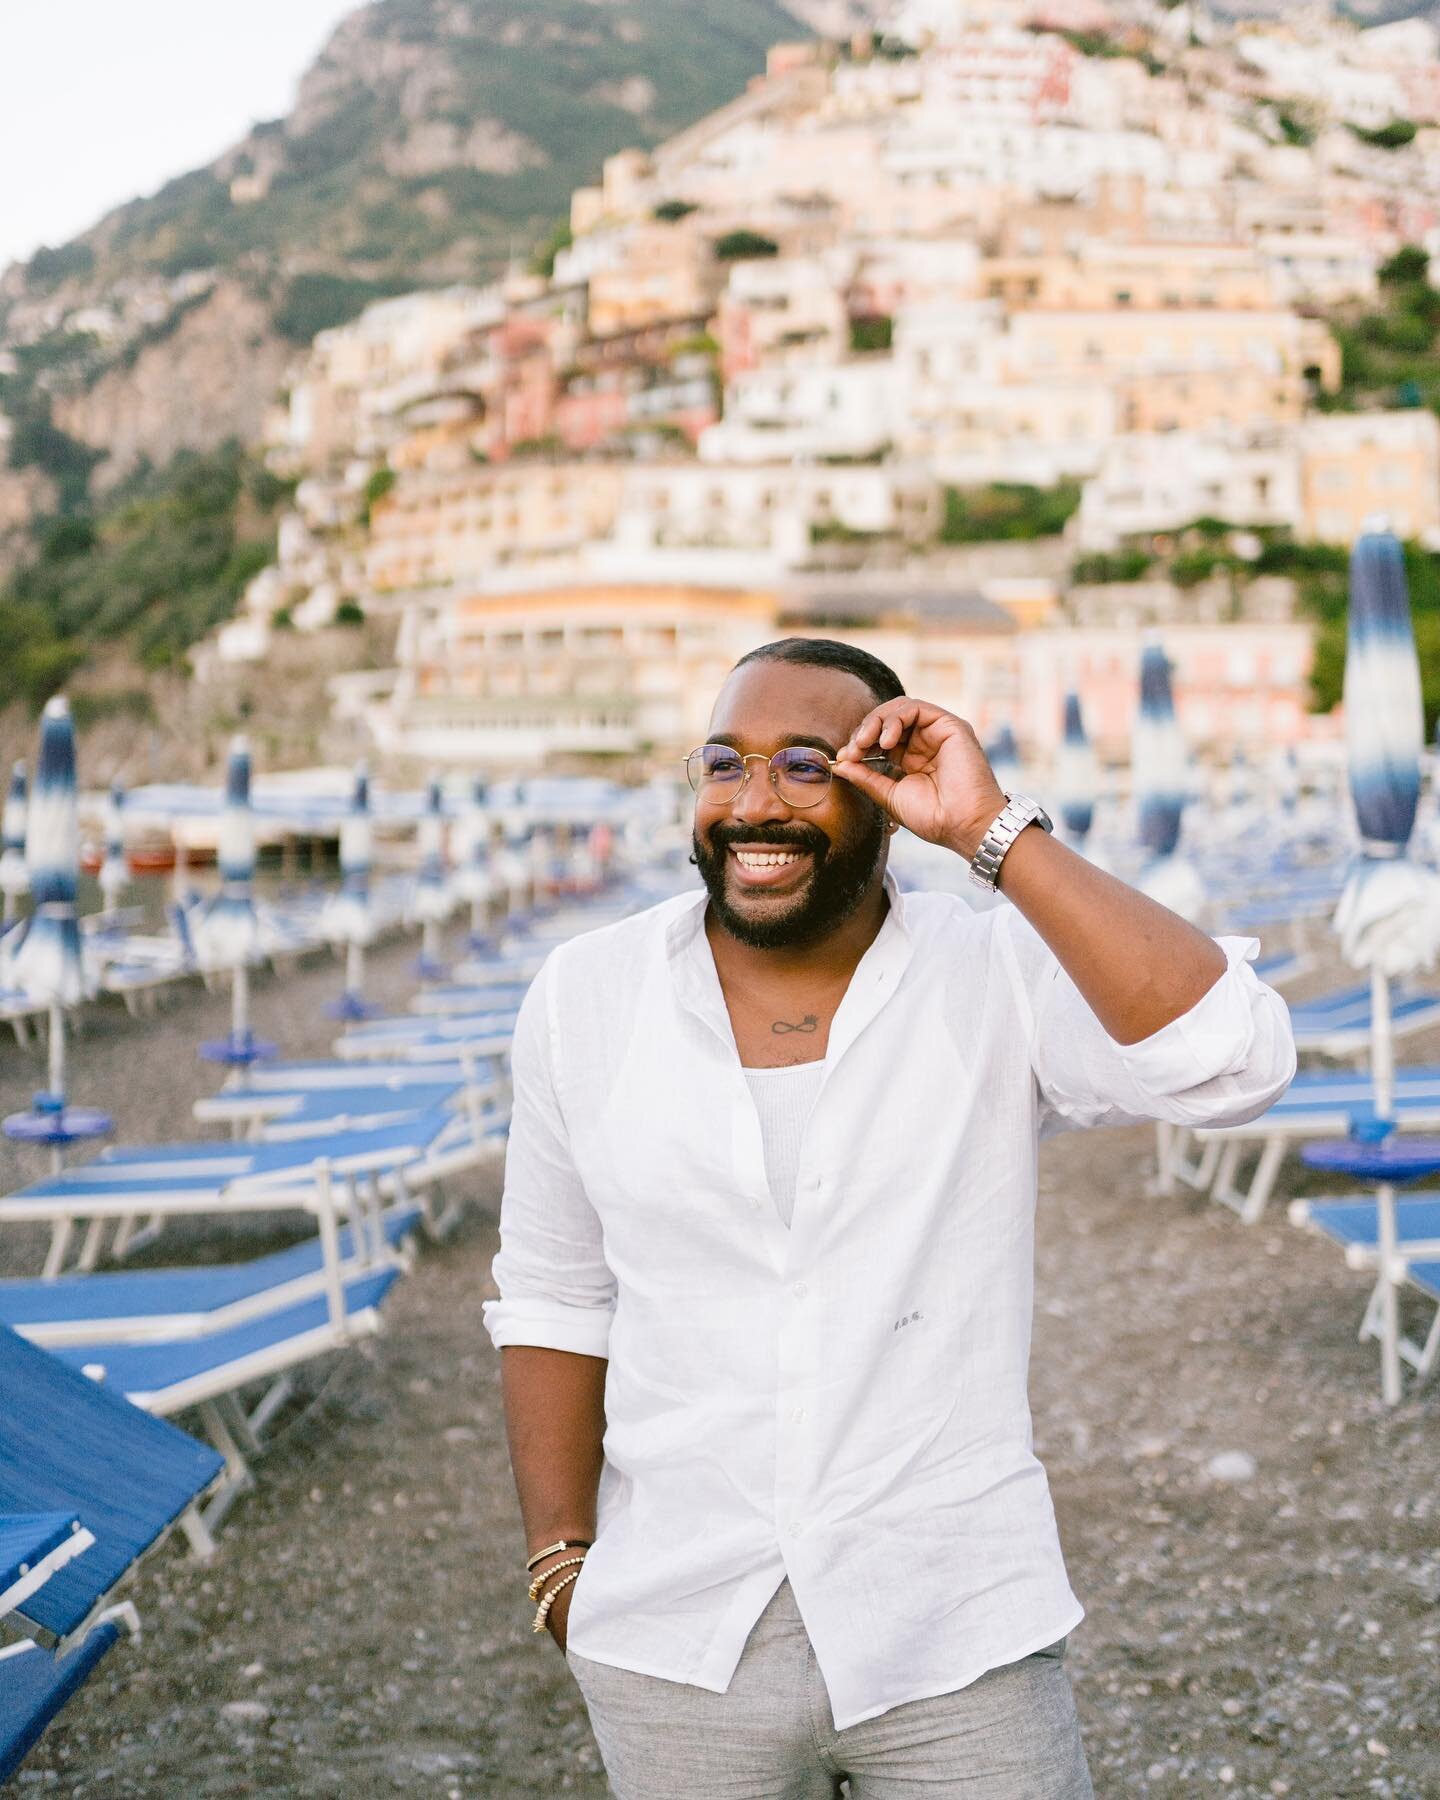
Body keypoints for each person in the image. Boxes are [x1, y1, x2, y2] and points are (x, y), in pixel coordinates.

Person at [483, 639, 1295, 1798]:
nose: (754, 803)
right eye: (725, 763)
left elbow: (1233, 1062)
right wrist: (560, 1563)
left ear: (883, 795)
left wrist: (993, 834)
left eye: (806, 767)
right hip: (674, 1636)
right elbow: (556, 1293)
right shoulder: (585, 996)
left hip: (956, 1629)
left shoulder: (992, 974)